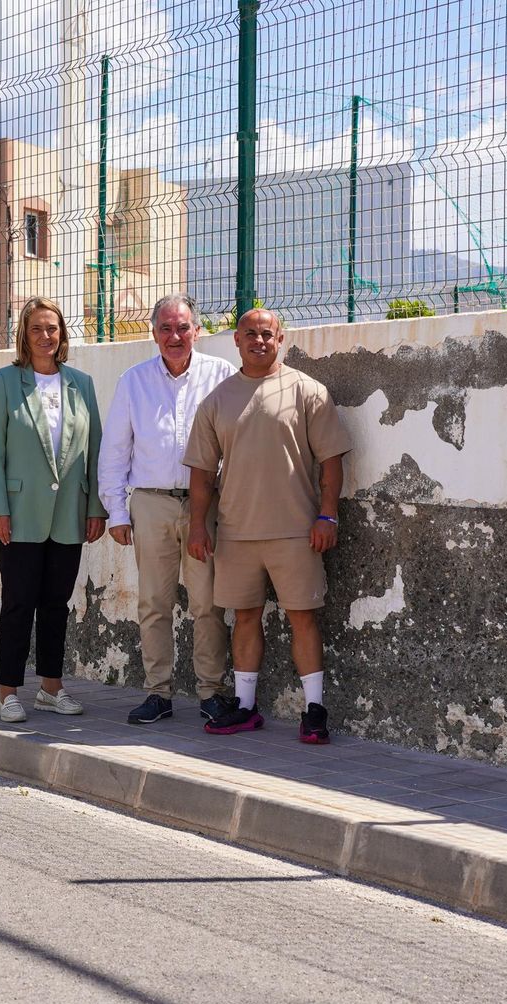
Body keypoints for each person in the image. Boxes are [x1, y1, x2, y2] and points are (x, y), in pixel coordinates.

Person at [184, 307, 352, 744]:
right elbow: (201, 473)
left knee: (303, 617)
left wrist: (327, 515)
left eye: (267, 334)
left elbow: (331, 461)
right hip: (236, 533)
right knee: (244, 618)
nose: (258, 341)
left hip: (297, 531)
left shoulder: (307, 391)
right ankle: (245, 707)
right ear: (236, 341)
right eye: (250, 334)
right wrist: (198, 526)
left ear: (280, 340)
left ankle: (314, 710)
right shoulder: (217, 400)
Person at [98, 293, 234, 725]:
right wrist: (117, 512)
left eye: (183, 327)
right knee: (153, 603)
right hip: (151, 503)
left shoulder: (221, 375)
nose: (175, 336)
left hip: (205, 505)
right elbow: (115, 450)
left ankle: (211, 692)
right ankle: (158, 693)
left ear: (198, 330)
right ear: (154, 333)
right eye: (166, 328)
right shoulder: (133, 381)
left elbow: (234, 443)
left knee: (208, 603)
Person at [0, 296, 107, 723]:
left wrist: (96, 508)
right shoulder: (4, 381)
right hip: (19, 513)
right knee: (18, 603)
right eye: (36, 328)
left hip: (70, 513)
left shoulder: (81, 384)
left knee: (57, 604)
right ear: (24, 334)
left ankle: (51, 688)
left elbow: (95, 450)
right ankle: (8, 692)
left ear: (62, 334)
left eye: (52, 328)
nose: (45, 336)